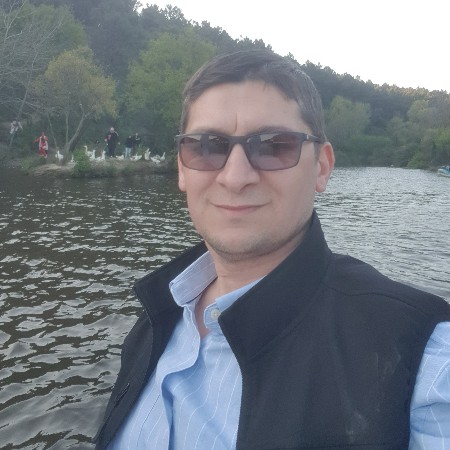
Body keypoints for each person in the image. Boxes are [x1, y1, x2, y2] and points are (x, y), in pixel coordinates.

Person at [95, 50, 450, 449]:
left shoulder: (422, 363)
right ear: (182, 167)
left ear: (321, 168)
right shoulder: (157, 315)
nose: (235, 177)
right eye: (207, 146)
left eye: (274, 146)